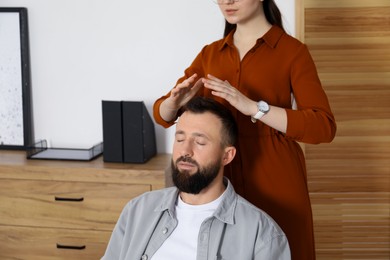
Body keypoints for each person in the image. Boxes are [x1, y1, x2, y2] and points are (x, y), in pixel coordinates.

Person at [153, 0, 337, 259]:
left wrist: (255, 108)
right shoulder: (210, 54)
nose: (227, 1)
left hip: (277, 177)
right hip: (220, 179)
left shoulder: (293, 52)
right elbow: (162, 114)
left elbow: (323, 127)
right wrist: (174, 102)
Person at [102, 96, 291, 260]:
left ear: (227, 156)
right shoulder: (137, 210)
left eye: (200, 142)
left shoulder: (262, 234)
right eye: (180, 139)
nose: (185, 151)